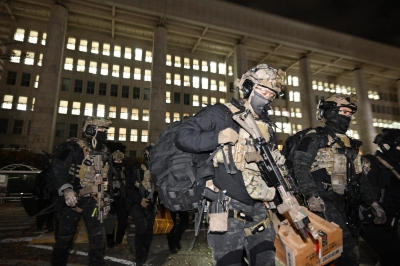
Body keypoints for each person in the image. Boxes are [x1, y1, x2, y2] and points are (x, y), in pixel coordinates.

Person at [174, 63, 283, 266]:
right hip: (226, 207)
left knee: (266, 261)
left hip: (260, 207)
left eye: (271, 94)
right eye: (262, 90)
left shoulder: (266, 125)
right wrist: (217, 137)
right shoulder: (221, 113)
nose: (266, 97)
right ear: (248, 87)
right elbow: (182, 136)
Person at [292, 94, 386, 266]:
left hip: (346, 202)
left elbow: (360, 176)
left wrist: (373, 202)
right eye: (342, 111)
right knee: (346, 250)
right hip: (322, 200)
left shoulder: (351, 143)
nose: (347, 116)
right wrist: (311, 196)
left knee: (343, 248)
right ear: (330, 113)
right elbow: (300, 167)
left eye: (349, 113)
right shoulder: (315, 137)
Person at [51, 116, 113, 266]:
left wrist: (106, 198)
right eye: (101, 129)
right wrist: (66, 190)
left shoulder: (105, 152)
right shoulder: (72, 147)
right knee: (64, 241)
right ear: (90, 130)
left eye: (106, 129)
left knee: (98, 241)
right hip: (72, 201)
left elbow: (107, 178)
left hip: (94, 201)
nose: (104, 132)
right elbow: (57, 169)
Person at [361, 129, 400, 266]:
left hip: (391, 220)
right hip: (370, 220)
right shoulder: (369, 164)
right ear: (386, 146)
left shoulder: (396, 167)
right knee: (393, 255)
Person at [126, 145, 156, 266]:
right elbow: (129, 187)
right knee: (141, 228)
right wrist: (139, 200)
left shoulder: (158, 169)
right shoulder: (137, 169)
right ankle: (139, 258)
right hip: (137, 204)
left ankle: (144, 255)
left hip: (151, 205)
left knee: (149, 231)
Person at [106, 150, 128, 248]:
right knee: (110, 221)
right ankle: (110, 241)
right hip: (110, 198)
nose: (118, 162)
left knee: (123, 221)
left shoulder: (125, 170)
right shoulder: (108, 170)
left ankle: (119, 240)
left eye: (120, 160)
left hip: (121, 199)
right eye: (116, 160)